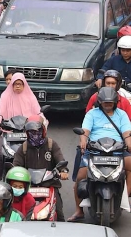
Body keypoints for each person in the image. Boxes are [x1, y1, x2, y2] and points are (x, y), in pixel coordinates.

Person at [68, 87, 131, 221]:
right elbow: (85, 131)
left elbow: (126, 133)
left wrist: (129, 143)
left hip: (117, 151)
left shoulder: (122, 115)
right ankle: (79, 211)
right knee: (80, 176)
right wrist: (83, 141)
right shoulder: (92, 114)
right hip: (94, 150)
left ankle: (125, 196)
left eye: (110, 102)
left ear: (115, 102)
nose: (108, 104)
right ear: (100, 102)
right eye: (105, 102)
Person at [13, 119, 67, 219]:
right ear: (27, 134)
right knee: (16, 213)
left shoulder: (51, 144)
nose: (35, 135)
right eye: (32, 133)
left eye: (37, 132)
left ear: (43, 131)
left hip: (49, 184)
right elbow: (16, 165)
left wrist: (63, 171)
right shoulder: (23, 148)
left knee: (59, 213)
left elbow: (60, 159)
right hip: (29, 186)